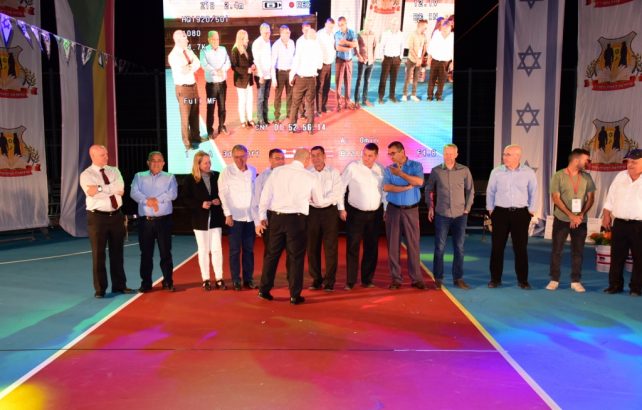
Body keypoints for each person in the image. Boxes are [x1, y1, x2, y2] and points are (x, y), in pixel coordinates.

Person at [257, 149, 317, 305]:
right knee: (296, 257)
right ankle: (294, 295)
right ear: (306, 160)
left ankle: (263, 290)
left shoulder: (277, 172)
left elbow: (265, 195)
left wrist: (262, 216)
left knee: (271, 255)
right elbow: (317, 200)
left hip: (276, 218)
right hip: (297, 220)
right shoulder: (310, 176)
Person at [79, 145, 134, 298]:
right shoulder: (86, 174)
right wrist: (109, 188)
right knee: (98, 254)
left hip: (116, 216)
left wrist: (100, 188)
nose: (106, 157)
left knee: (117, 253)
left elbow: (121, 189)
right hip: (97, 218)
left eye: (106, 154)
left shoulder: (114, 170)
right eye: (102, 155)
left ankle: (119, 285)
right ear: (93, 156)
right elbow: (91, 192)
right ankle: (100, 289)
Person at [486, 144, 537, 289]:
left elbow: (533, 192)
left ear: (517, 156)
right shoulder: (496, 172)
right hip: (500, 213)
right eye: (504, 154)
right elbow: (490, 191)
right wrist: (490, 209)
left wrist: (531, 210)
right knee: (497, 248)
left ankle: (523, 280)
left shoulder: (528, 172)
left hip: (521, 214)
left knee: (520, 248)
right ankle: (495, 279)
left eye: (508, 154)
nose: (504, 157)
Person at [425, 144, 474, 290]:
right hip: (442, 214)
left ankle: (458, 278)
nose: (449, 156)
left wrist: (467, 208)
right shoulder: (436, 171)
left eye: (451, 153)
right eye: (446, 153)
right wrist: (430, 206)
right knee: (439, 248)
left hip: (460, 215)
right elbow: (428, 189)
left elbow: (470, 190)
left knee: (459, 248)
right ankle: (438, 278)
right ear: (443, 154)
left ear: (456, 154)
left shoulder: (464, 170)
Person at [547, 149, 595, 292]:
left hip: (580, 221)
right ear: (576, 160)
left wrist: (580, 214)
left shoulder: (587, 177)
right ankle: (554, 279)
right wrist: (571, 215)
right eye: (586, 160)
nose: (588, 162)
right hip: (561, 219)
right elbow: (556, 198)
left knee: (578, 251)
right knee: (557, 250)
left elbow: (591, 198)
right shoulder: (558, 176)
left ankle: (575, 280)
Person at [130, 152, 178, 293]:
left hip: (164, 221)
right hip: (145, 222)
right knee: (146, 254)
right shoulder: (139, 176)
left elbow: (173, 194)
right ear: (148, 162)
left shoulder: (170, 177)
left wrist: (156, 200)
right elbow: (134, 193)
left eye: (159, 160)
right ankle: (146, 283)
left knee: (165, 253)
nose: (156, 163)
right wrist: (147, 201)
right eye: (153, 160)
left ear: (163, 163)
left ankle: (168, 281)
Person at [340, 143, 386, 290]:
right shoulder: (353, 167)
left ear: (376, 156)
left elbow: (384, 191)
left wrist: (385, 209)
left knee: (371, 247)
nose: (366, 158)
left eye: (370, 156)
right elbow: (341, 187)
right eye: (365, 155)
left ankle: (367, 279)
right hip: (355, 213)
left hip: (375, 214)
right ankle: (350, 281)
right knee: (352, 246)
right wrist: (341, 208)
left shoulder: (381, 169)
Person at [383, 141, 426, 290]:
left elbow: (419, 181)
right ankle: (396, 279)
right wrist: (406, 187)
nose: (391, 156)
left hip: (411, 210)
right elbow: (386, 187)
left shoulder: (415, 166)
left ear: (402, 152)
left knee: (413, 245)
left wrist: (400, 174)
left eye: (393, 153)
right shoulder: (389, 169)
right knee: (393, 245)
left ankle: (416, 279)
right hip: (393, 210)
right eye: (389, 154)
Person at [183, 151, 227, 290]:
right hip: (199, 220)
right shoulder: (190, 179)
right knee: (203, 250)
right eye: (205, 163)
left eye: (209, 162)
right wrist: (200, 204)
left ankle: (219, 278)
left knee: (217, 249)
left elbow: (223, 193)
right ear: (198, 164)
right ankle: (206, 279)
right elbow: (185, 199)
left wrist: (218, 200)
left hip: (215, 218)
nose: (209, 165)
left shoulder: (217, 176)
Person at [601, 148, 642, 296]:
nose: (630, 165)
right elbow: (610, 197)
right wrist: (606, 214)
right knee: (617, 256)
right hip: (620, 224)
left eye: (634, 162)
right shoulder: (620, 176)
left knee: (640, 258)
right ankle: (615, 285)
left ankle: (636, 287)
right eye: (628, 162)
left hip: (639, 225)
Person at [219, 144, 257, 290]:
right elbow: (223, 194)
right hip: (234, 217)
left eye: (242, 156)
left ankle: (248, 279)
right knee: (235, 250)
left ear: (247, 155)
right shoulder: (226, 171)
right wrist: (227, 214)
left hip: (250, 217)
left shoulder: (252, 170)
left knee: (249, 250)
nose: (240, 160)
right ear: (232, 157)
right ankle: (236, 279)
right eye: (237, 157)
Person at [307, 146, 344, 292]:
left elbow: (337, 193)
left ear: (324, 156)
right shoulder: (307, 173)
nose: (315, 158)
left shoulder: (334, 172)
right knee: (312, 247)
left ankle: (329, 281)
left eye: (318, 155)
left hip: (329, 212)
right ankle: (316, 279)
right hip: (311, 212)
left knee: (331, 248)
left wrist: (339, 208)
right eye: (313, 155)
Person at [168, 30, 202, 151]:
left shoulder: (188, 51)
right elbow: (182, 71)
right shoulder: (173, 56)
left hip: (193, 86)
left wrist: (190, 66)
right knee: (185, 117)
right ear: (178, 40)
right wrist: (191, 66)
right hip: (183, 89)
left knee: (195, 114)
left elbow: (198, 63)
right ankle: (187, 143)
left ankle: (196, 137)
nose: (188, 40)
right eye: (185, 38)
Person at [288, 28, 323, 135]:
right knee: (310, 105)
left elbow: (296, 62)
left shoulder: (302, 45)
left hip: (300, 79)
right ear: (314, 36)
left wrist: (291, 76)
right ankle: (310, 129)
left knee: (295, 104)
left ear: (307, 35)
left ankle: (292, 128)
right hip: (311, 79)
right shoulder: (318, 48)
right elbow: (319, 66)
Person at [252, 148, 286, 255]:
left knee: (291, 250)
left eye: (282, 158)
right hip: (269, 217)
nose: (281, 161)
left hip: (288, 216)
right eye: (277, 158)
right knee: (271, 251)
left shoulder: (289, 175)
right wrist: (258, 222)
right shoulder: (262, 177)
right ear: (270, 160)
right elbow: (255, 202)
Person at [199, 30, 230, 138]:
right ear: (209, 40)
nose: (216, 41)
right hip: (211, 86)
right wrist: (215, 71)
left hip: (222, 84)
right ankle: (210, 130)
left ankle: (221, 126)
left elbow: (228, 62)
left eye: (217, 39)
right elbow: (204, 65)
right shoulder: (204, 51)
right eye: (214, 39)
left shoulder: (223, 49)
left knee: (222, 107)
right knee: (210, 108)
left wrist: (223, 69)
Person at [230, 29, 256, 128]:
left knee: (250, 100)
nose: (248, 40)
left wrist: (252, 65)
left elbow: (251, 60)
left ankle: (250, 119)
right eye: (246, 38)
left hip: (249, 79)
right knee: (242, 100)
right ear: (241, 39)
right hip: (240, 80)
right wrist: (246, 70)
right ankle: (243, 120)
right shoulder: (235, 50)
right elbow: (234, 67)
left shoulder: (247, 47)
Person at [272, 25, 295, 125]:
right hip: (280, 73)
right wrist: (274, 79)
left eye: (289, 32)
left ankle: (289, 114)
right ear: (281, 34)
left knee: (290, 94)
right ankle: (276, 117)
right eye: (286, 33)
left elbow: (294, 59)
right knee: (278, 96)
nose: (289, 34)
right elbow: (272, 63)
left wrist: (293, 73)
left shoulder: (292, 42)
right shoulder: (276, 45)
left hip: (290, 72)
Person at [376, 18, 404, 104]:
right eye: (393, 24)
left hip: (396, 59)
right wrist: (382, 56)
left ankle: (392, 96)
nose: (394, 26)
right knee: (383, 78)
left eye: (396, 24)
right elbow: (381, 46)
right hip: (387, 59)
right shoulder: (385, 34)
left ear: (398, 25)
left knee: (394, 79)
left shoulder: (401, 34)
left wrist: (400, 57)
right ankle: (381, 97)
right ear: (390, 25)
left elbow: (402, 46)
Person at [334, 16, 359, 111]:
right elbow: (338, 48)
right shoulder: (337, 34)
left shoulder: (352, 33)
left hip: (349, 61)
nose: (341, 27)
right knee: (338, 83)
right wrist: (349, 46)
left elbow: (355, 44)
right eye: (339, 25)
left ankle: (347, 102)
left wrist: (344, 42)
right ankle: (338, 104)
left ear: (346, 23)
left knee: (348, 82)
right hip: (339, 60)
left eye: (342, 25)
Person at [427, 20, 454, 101]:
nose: (445, 29)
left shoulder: (452, 36)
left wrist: (453, 62)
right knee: (432, 78)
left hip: (446, 61)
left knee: (442, 80)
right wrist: (429, 58)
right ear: (441, 27)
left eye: (447, 27)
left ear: (450, 28)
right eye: (444, 27)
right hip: (435, 60)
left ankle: (438, 96)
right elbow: (431, 46)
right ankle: (430, 95)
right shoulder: (436, 34)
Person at [252, 23, 273, 127]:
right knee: (261, 98)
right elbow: (257, 60)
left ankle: (265, 118)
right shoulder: (257, 43)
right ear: (261, 32)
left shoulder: (269, 42)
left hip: (268, 75)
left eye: (269, 32)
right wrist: (261, 75)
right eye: (265, 33)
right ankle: (260, 120)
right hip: (261, 76)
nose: (267, 34)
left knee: (266, 97)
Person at [401, 19, 427, 102]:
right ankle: (404, 95)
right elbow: (410, 49)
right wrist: (417, 59)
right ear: (421, 26)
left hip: (419, 60)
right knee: (408, 78)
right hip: (411, 59)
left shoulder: (424, 36)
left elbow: (424, 47)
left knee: (416, 78)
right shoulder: (412, 35)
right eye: (425, 27)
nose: (426, 29)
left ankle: (413, 95)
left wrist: (421, 58)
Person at [354, 19, 377, 107]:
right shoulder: (359, 34)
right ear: (364, 24)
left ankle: (365, 100)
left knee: (367, 81)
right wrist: (359, 56)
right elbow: (355, 47)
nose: (369, 26)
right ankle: (356, 101)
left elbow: (375, 46)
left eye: (370, 25)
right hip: (362, 61)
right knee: (359, 81)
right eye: (367, 24)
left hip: (370, 62)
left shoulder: (373, 34)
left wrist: (374, 57)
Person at [316, 18, 336, 114]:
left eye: (332, 27)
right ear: (325, 24)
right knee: (320, 87)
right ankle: (319, 109)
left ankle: (323, 107)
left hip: (329, 64)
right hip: (322, 65)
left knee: (327, 87)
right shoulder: (319, 34)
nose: (330, 28)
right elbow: (316, 49)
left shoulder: (332, 35)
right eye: (329, 26)